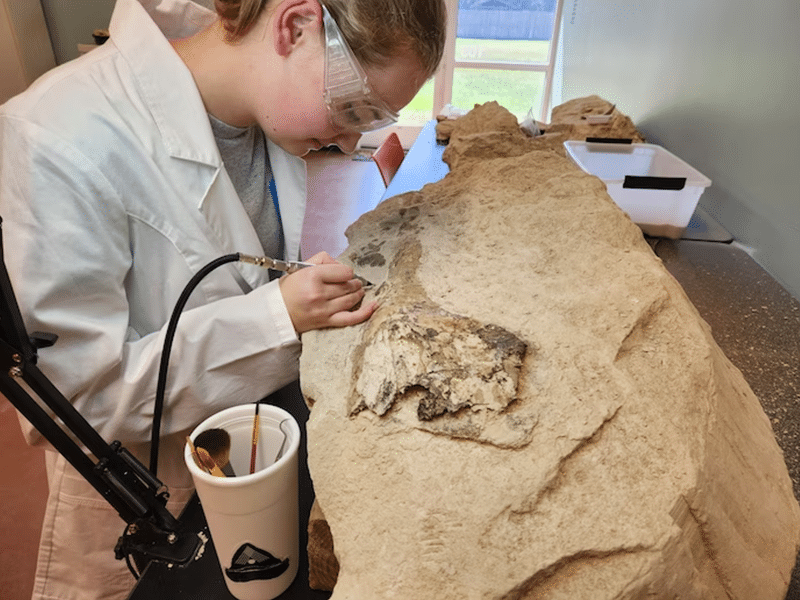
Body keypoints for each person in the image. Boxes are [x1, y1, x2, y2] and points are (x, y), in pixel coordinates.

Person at [0, 0, 446, 597]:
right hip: (148, 498)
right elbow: (67, 400)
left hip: (254, 450)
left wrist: (287, 301)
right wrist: (275, 318)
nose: (347, 140)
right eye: (354, 109)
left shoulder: (257, 118)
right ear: (295, 26)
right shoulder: (55, 135)